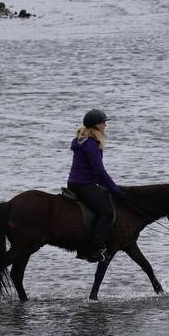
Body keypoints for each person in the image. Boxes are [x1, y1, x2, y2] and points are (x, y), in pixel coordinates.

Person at [67, 108, 123, 262]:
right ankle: (95, 250)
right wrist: (115, 189)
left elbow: (92, 170)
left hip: (76, 182)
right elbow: (99, 170)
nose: (105, 125)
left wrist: (103, 184)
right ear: (96, 125)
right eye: (103, 122)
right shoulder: (91, 143)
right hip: (83, 185)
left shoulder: (83, 140)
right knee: (107, 212)